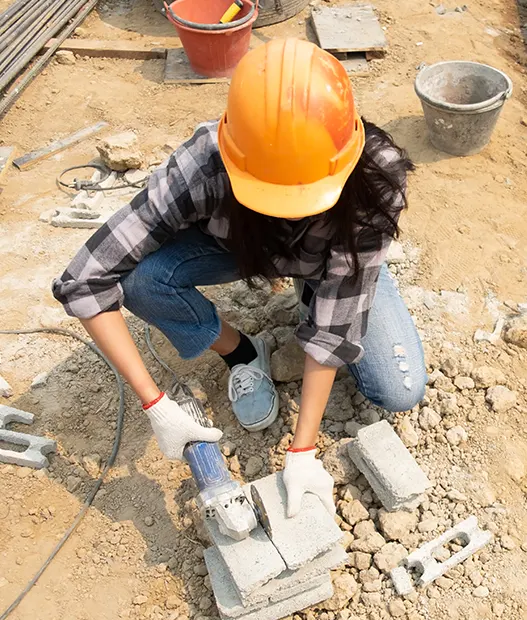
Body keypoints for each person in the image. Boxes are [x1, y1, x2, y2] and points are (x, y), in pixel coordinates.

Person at [52, 38, 426, 519]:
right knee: (142, 277)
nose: (290, 211)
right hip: (239, 250)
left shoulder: (375, 180)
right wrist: (156, 405)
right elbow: (85, 279)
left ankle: (314, 287)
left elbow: (335, 333)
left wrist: (302, 452)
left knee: (399, 390)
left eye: (305, 200)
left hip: (338, 261)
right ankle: (242, 351)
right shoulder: (202, 163)